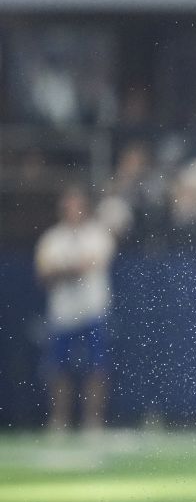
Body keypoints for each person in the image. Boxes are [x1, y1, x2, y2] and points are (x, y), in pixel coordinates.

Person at [34, 184, 117, 437]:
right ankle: (59, 420)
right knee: (58, 369)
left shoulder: (98, 234)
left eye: (77, 205)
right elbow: (43, 272)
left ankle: (93, 421)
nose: (73, 210)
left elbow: (92, 263)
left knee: (97, 367)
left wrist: (63, 268)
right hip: (63, 313)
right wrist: (69, 268)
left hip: (92, 310)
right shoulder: (52, 237)